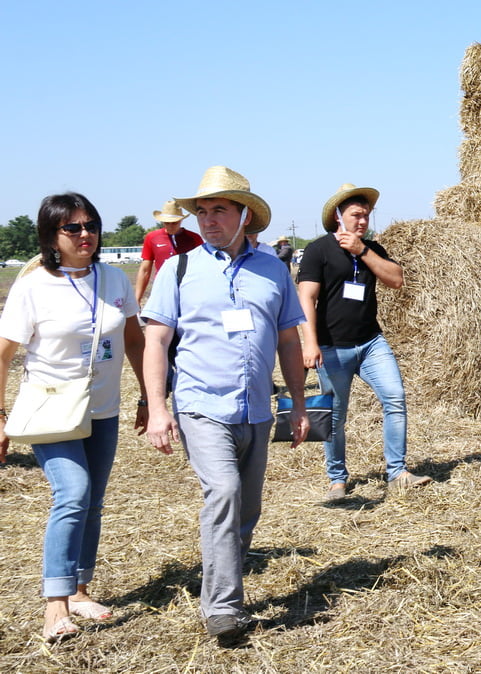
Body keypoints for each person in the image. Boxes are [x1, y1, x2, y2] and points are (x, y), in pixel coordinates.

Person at [141, 166, 309, 645]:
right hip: (199, 404)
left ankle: (221, 576)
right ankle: (223, 610)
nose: (207, 219)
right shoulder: (180, 268)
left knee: (247, 509)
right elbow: (156, 341)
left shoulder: (274, 270)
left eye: (219, 210)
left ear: (245, 216)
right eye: (202, 211)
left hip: (257, 408)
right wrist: (158, 406)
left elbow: (288, 341)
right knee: (225, 492)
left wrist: (298, 404)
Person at [0, 193, 147, 642]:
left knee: (94, 501)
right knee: (74, 492)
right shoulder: (31, 285)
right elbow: (3, 354)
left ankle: (82, 590)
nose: (86, 235)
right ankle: (55, 604)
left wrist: (148, 397)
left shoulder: (113, 280)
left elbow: (135, 340)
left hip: (102, 409)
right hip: (50, 410)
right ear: (51, 236)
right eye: (73, 228)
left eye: (91, 226)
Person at [297, 184, 430, 502]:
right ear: (337, 217)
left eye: (366, 216)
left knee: (395, 399)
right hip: (332, 348)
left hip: (371, 343)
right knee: (335, 416)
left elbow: (396, 280)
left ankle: (397, 472)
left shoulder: (373, 249)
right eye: (356, 215)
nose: (362, 221)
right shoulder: (318, 250)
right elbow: (306, 297)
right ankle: (337, 479)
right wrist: (310, 343)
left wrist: (363, 251)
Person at [134, 200, 204, 306]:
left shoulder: (194, 238)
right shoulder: (152, 238)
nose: (170, 226)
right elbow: (145, 270)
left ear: (181, 220)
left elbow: (202, 266)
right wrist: (137, 299)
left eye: (174, 223)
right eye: (167, 223)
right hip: (161, 287)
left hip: (188, 288)